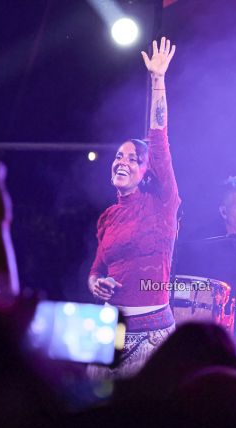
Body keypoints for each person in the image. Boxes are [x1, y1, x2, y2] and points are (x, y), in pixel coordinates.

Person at [87, 37, 180, 379]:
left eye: (132, 159)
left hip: (151, 338)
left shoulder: (162, 204)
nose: (121, 162)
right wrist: (95, 283)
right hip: (109, 331)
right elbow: (97, 270)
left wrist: (158, 80)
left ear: (146, 171)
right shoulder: (108, 217)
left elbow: (159, 139)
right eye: (118, 156)